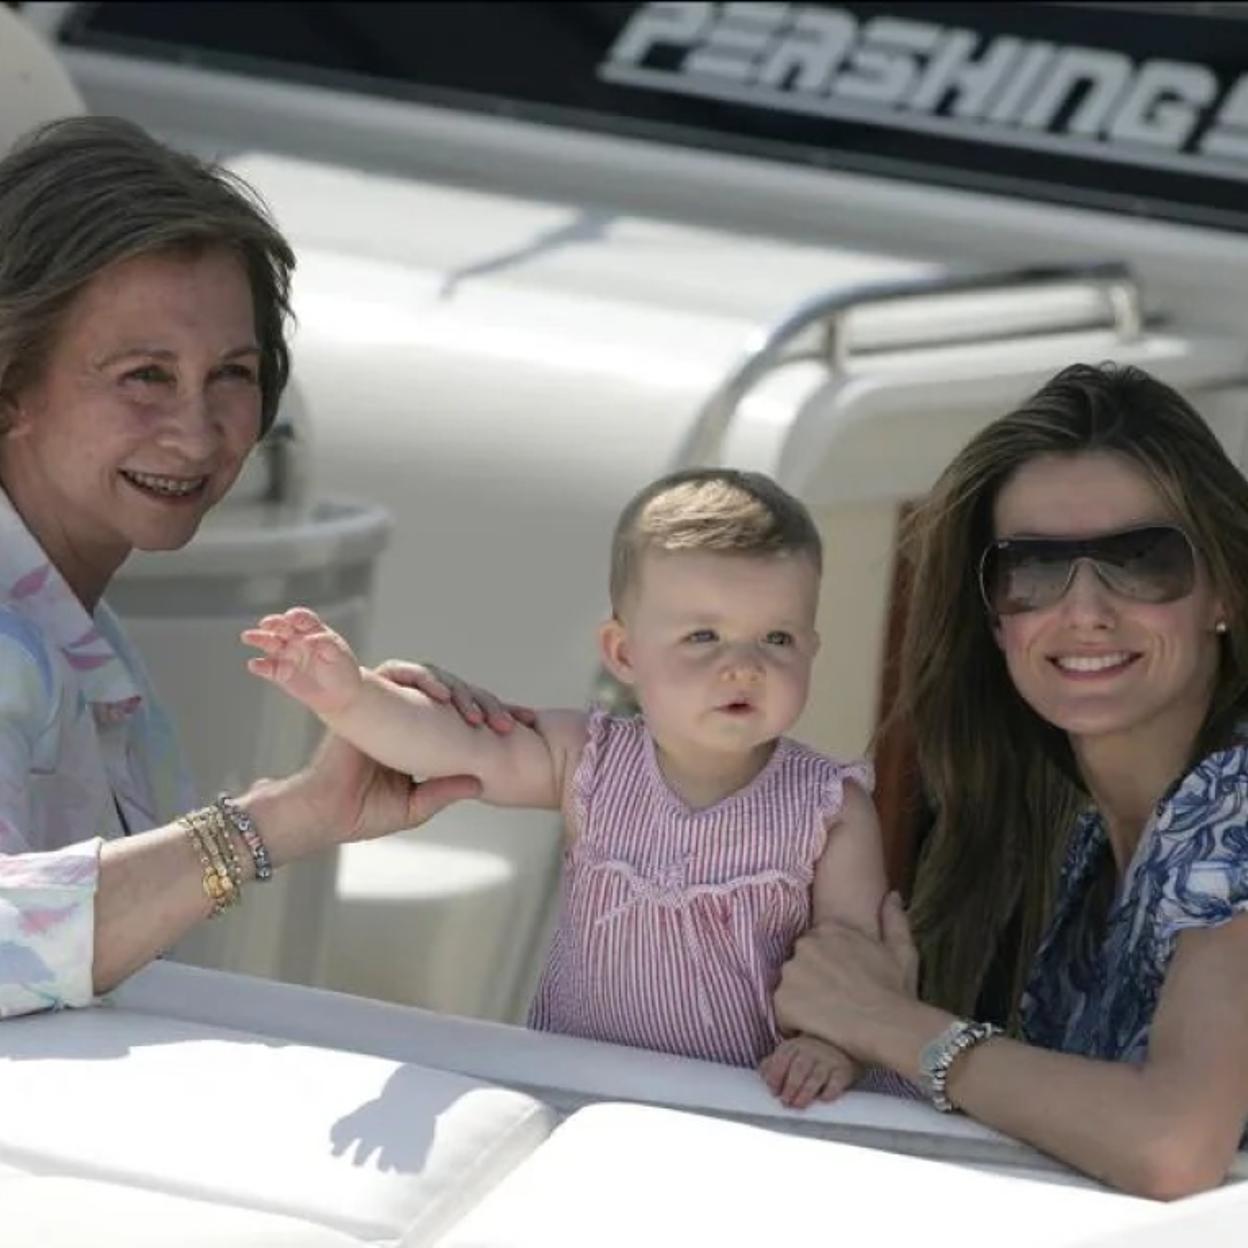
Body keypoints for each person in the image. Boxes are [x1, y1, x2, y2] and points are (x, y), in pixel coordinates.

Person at [0, 115, 506, 1020]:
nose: (197, 433)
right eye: (145, 376)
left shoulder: (72, 633)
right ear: (11, 387)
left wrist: (318, 802)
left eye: (232, 373)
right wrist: (289, 816)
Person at [244, 468, 896, 1108]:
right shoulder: (587, 759)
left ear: (811, 649)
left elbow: (853, 958)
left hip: (749, 1108)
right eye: (704, 636)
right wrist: (349, 696)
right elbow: (454, 746)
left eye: (776, 638)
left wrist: (828, 1048)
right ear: (623, 653)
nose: (745, 667)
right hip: (583, 1094)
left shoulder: (830, 808)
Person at [773, 362, 1248, 1197]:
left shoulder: (1230, 819)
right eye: (1033, 570)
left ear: (1225, 593)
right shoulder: (1091, 835)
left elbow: (1174, 1142)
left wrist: (891, 1023)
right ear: (995, 617)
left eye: (1140, 561)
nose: (1085, 610)